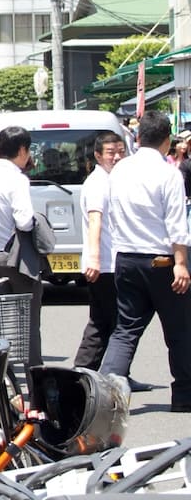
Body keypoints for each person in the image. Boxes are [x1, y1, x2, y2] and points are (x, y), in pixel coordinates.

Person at [100, 111, 191, 411]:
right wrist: (181, 262)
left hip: (126, 257)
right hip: (161, 260)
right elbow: (177, 223)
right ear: (166, 141)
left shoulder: (120, 170)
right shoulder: (168, 173)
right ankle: (184, 396)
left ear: (138, 138)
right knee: (179, 329)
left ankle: (107, 394)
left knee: (126, 329)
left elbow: (112, 213)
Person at [73, 132, 143, 381]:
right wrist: (94, 259)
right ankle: (86, 374)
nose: (117, 157)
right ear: (98, 156)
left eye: (121, 151)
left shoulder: (115, 179)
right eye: (111, 152)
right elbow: (95, 220)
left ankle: (110, 374)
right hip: (105, 263)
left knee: (106, 321)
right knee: (108, 322)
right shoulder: (98, 182)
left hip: (110, 261)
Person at [0, 125, 43, 367]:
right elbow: (24, 222)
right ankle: (35, 389)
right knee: (28, 326)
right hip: (17, 260)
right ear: (23, 150)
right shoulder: (17, 179)